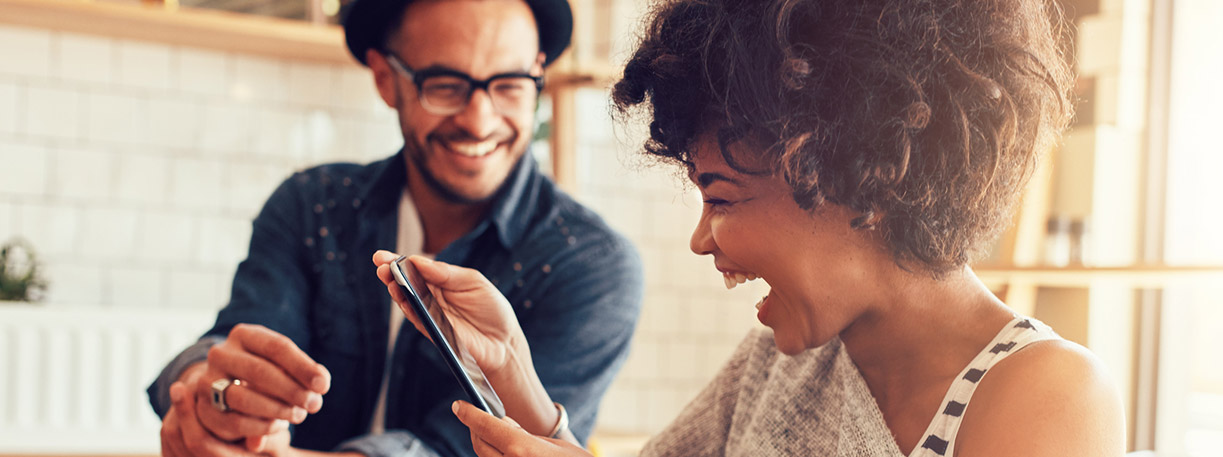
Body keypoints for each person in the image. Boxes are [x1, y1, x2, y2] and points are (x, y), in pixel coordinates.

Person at [372, 0, 1126, 455]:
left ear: (853, 171)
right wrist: (514, 374)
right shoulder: (777, 362)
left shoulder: (1044, 391)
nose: (704, 239)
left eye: (722, 198)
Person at [149, 0, 644, 455]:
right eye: (445, 86)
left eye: (510, 84)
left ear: (537, 74)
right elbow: (237, 342)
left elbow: (457, 450)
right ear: (386, 79)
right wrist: (210, 394)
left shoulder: (592, 265)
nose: (479, 119)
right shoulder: (311, 206)